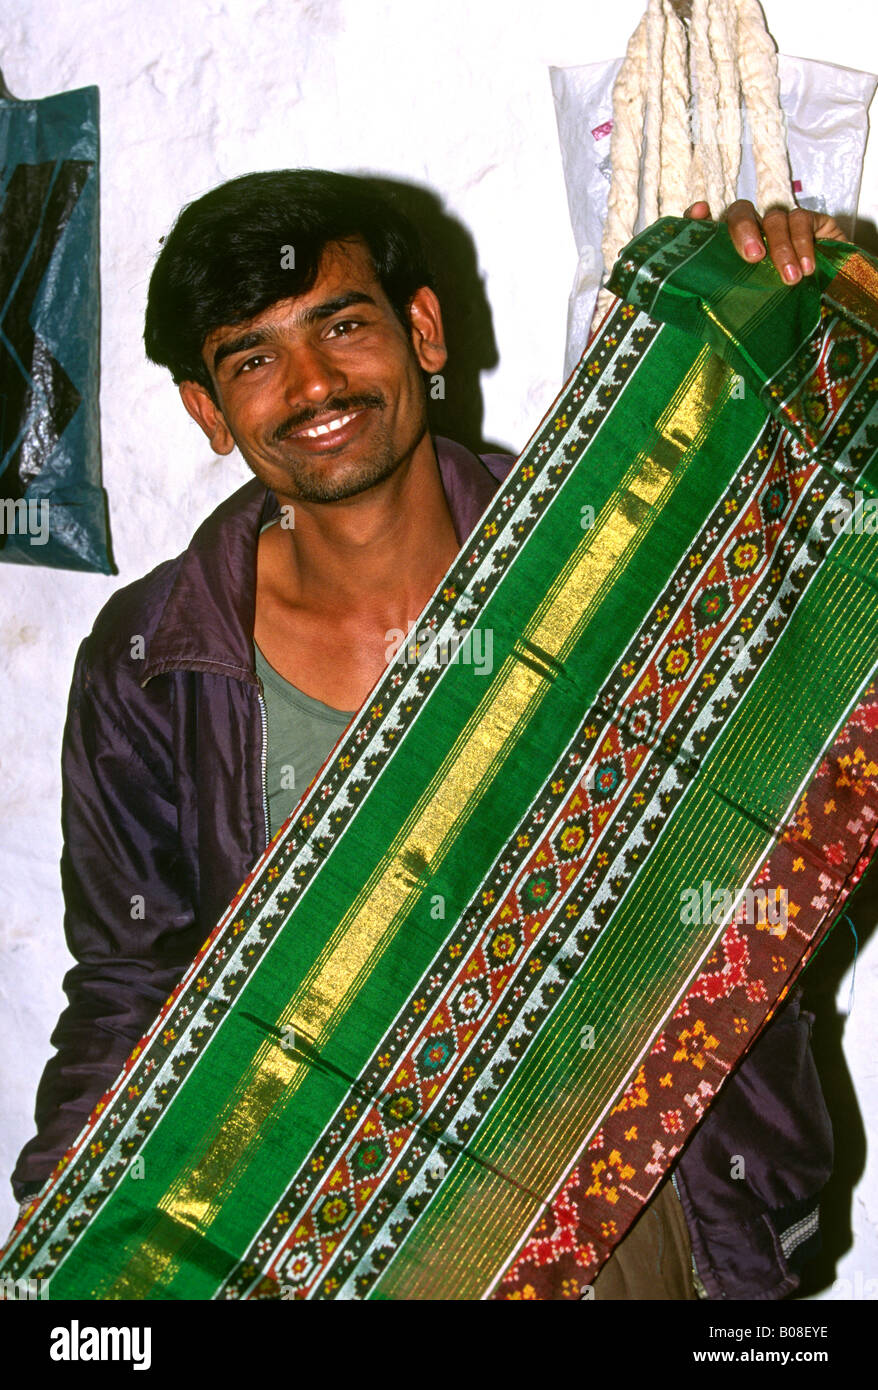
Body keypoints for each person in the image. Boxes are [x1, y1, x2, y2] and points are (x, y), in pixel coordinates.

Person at [11, 170, 841, 1298]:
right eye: (252, 357)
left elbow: (815, 651)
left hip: (624, 1213)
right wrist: (70, 1254)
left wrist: (817, 296)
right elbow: (129, 979)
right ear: (209, 409)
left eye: (342, 325)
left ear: (422, 330)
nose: (311, 384)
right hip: (319, 1245)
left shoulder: (607, 564)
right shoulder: (154, 656)